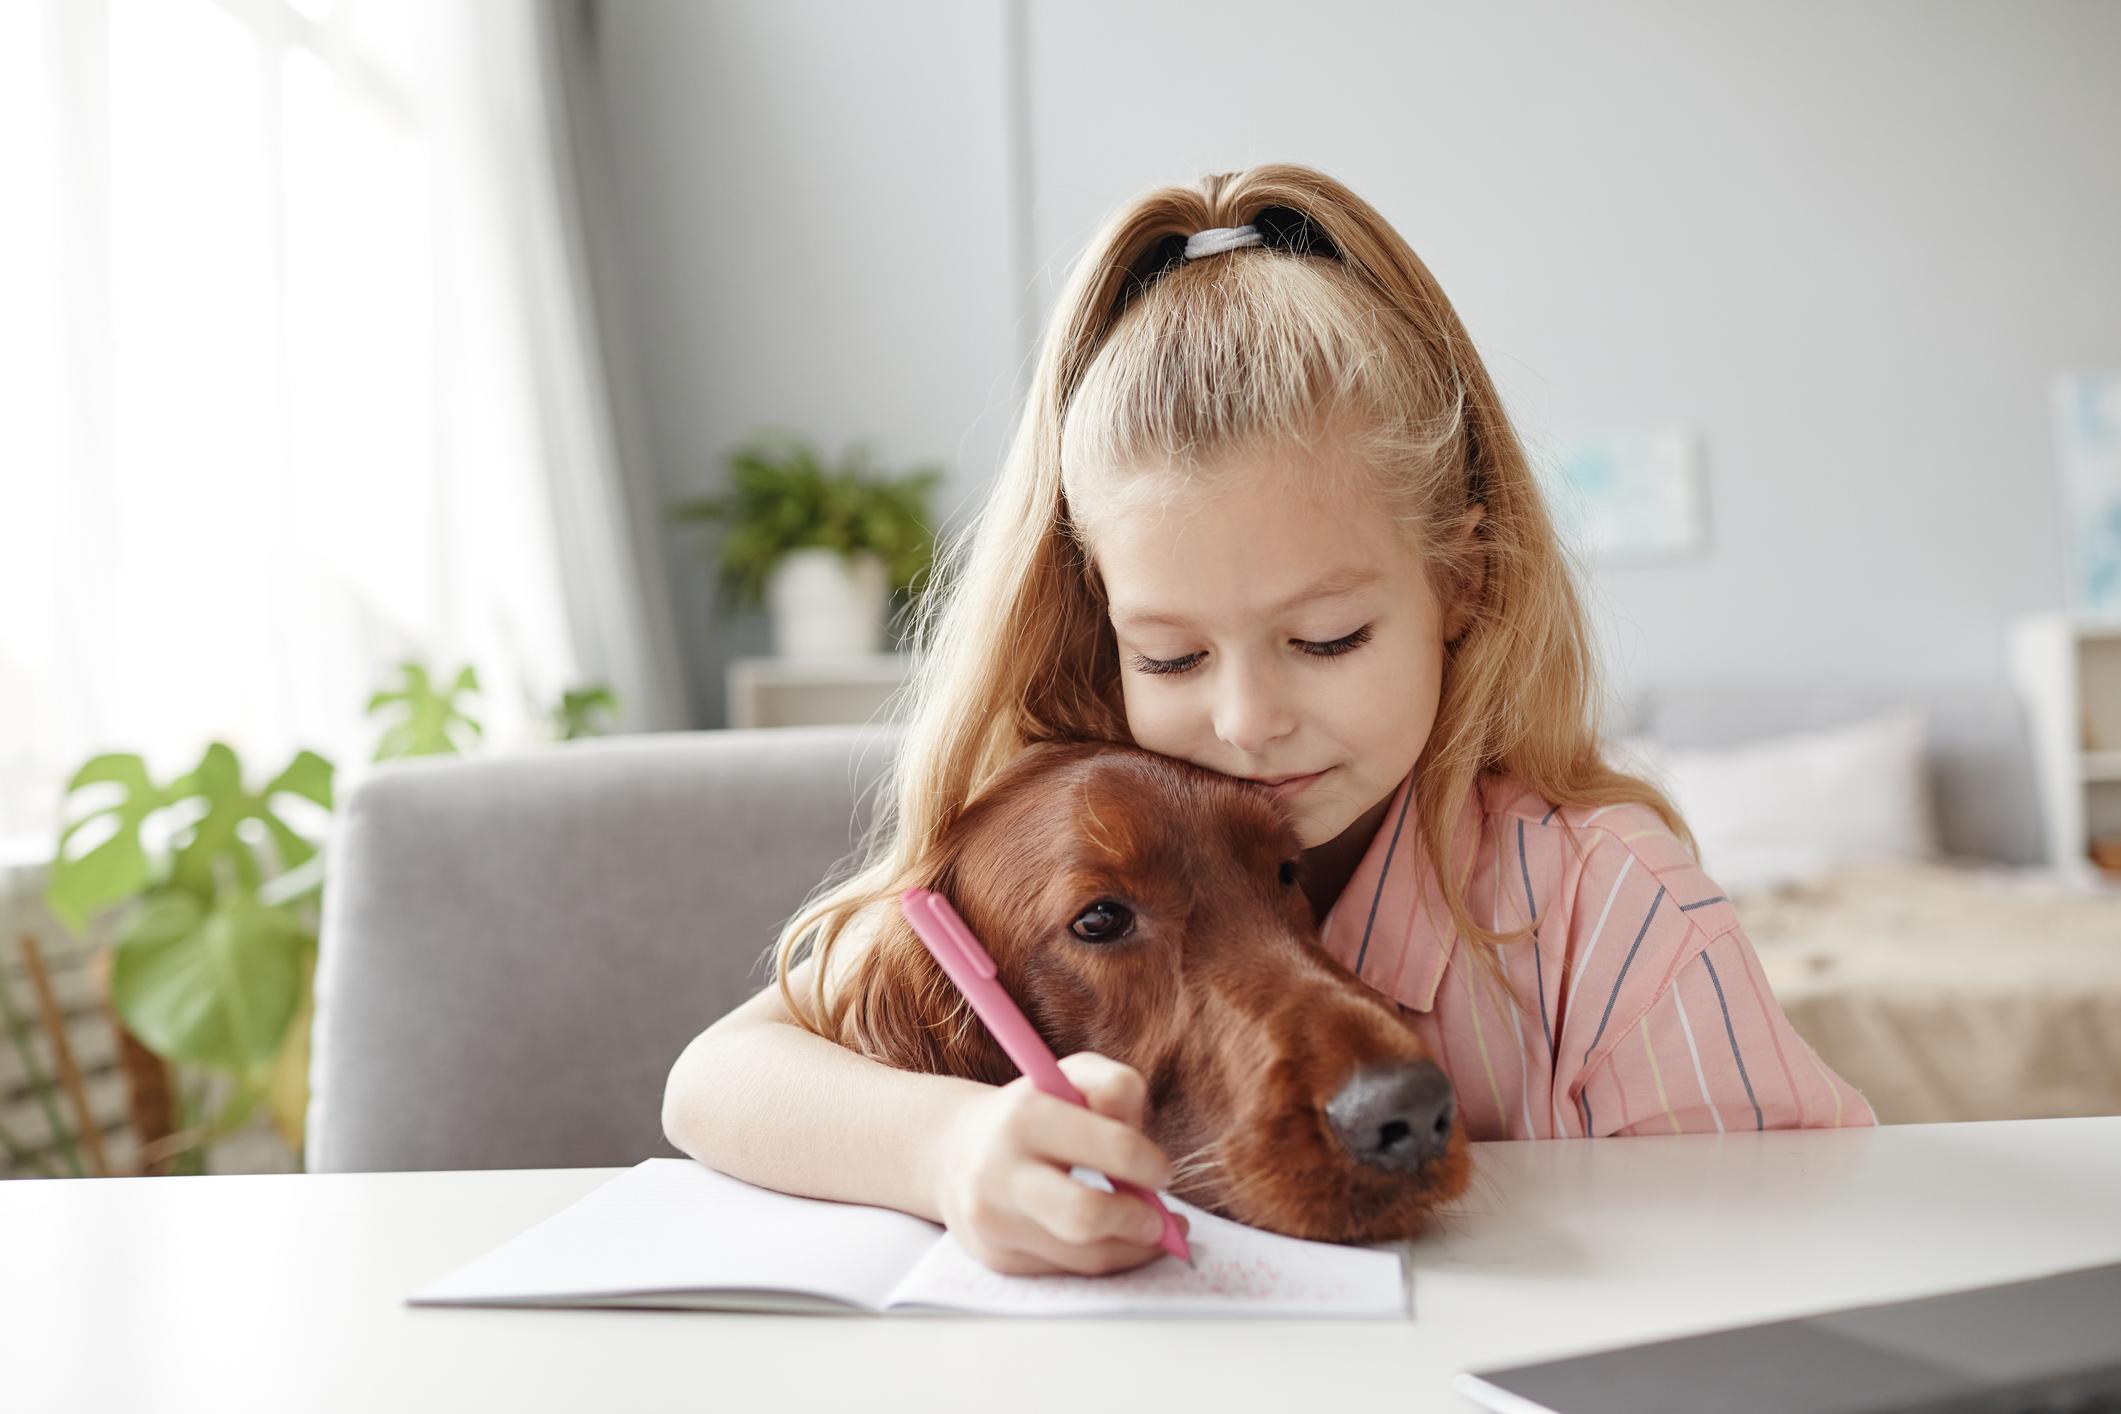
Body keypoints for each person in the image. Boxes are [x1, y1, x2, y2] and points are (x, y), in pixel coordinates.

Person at [661, 162, 1875, 1279]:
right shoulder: (1056, 827)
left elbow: (1779, 1273)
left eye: (1328, 639)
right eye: (1173, 653)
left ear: (1463, 580)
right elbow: (717, 1076)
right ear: (1105, 629)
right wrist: (944, 1148)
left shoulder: (1611, 908)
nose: (1247, 721)